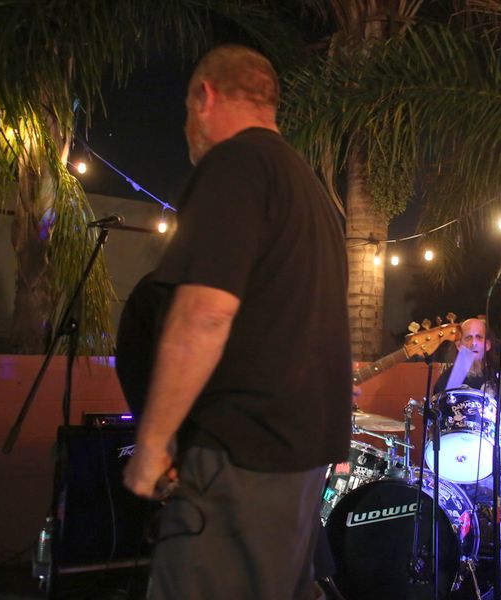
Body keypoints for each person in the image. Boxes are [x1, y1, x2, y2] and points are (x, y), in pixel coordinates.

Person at [120, 45, 352, 600]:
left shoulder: (235, 164)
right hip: (296, 464)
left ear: (205, 97)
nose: (187, 129)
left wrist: (151, 445)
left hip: (238, 461)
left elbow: (204, 314)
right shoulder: (311, 192)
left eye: (186, 111)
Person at [433, 317, 501, 436]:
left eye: (479, 337)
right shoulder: (448, 380)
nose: (474, 343)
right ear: (459, 345)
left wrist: (500, 446)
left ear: (487, 345)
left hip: (498, 445)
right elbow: (437, 425)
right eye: (468, 338)